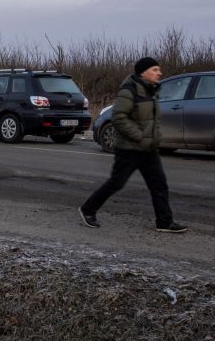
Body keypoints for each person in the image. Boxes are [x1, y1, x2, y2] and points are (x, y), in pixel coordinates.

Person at [79, 57, 187, 233]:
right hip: (129, 149)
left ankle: (164, 222)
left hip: (149, 149)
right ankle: (88, 209)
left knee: (159, 184)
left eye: (158, 70)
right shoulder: (128, 91)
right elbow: (119, 118)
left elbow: (150, 119)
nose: (159, 73)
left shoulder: (150, 91)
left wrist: (153, 138)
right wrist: (140, 136)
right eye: (155, 69)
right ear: (143, 72)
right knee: (116, 183)